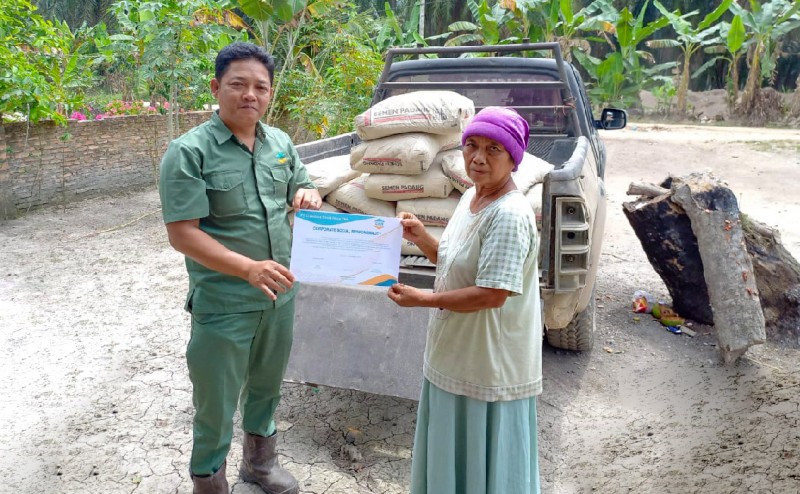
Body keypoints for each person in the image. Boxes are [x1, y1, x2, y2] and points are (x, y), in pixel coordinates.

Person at [158, 42, 322, 494]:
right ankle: (209, 481)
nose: (250, 94)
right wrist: (247, 268)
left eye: (260, 87)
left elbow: (301, 182)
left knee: (268, 388)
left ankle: (260, 466)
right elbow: (183, 234)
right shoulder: (189, 152)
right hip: (225, 301)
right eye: (238, 84)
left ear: (269, 94)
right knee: (216, 401)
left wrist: (309, 193)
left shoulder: (281, 144)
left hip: (279, 297)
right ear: (216, 88)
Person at [387, 106, 542, 494]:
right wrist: (422, 237)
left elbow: (492, 294)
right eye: (471, 145)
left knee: (480, 464)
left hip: (485, 364)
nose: (478, 157)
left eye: (493, 149)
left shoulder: (508, 214)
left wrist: (424, 299)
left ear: (513, 159)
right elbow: (457, 265)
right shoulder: (472, 198)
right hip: (456, 355)